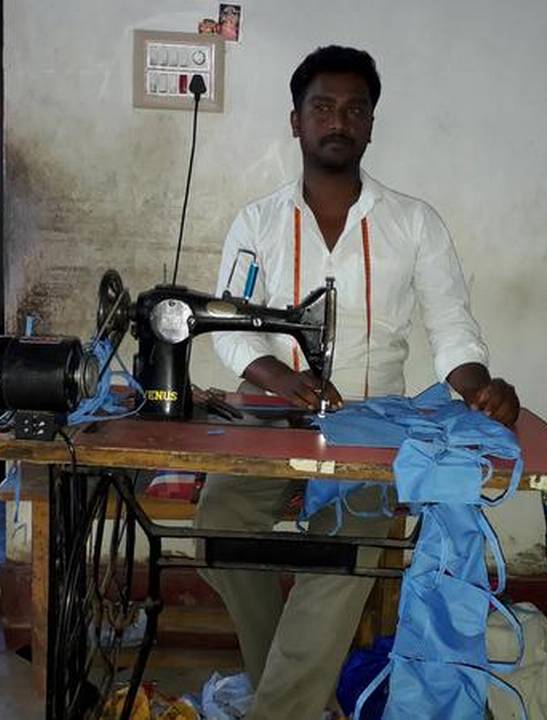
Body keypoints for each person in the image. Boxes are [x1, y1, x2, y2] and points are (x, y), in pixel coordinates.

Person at [196, 45, 519, 720]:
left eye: (354, 108)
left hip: (375, 425)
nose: (337, 120)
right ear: (296, 121)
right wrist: (279, 377)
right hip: (269, 416)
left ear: (371, 124)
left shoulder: (414, 222)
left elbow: (451, 326)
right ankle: (288, 690)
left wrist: (478, 384)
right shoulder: (257, 225)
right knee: (217, 527)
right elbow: (227, 325)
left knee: (345, 551)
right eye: (322, 106)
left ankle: (280, 708)